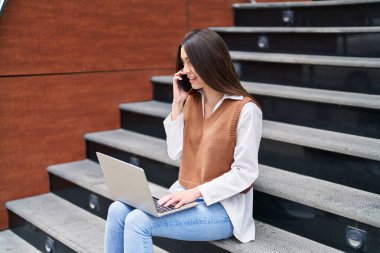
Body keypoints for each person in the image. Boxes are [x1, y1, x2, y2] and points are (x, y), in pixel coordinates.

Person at [104, 29, 262, 253]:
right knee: (118, 210)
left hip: (223, 209)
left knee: (138, 221)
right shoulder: (194, 101)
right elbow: (177, 152)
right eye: (183, 62)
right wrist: (177, 105)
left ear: (212, 59)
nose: (184, 70)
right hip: (185, 197)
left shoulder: (245, 110)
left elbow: (245, 173)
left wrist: (195, 193)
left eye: (190, 62)